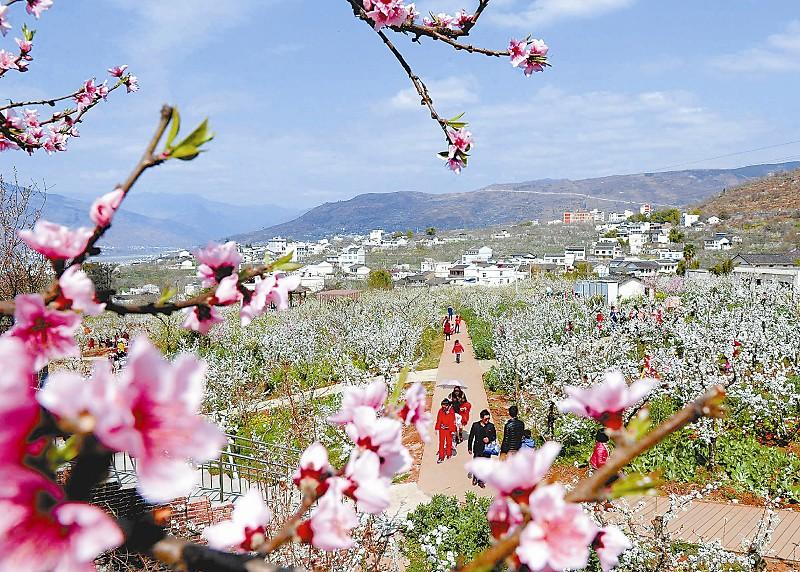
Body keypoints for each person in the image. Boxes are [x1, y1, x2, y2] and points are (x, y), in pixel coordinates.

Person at [468, 409, 496, 487]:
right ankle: (475, 477)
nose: (487, 420)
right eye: (485, 419)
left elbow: (494, 437)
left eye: (488, 419)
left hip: (487, 449)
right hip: (477, 448)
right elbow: (471, 437)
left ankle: (481, 480)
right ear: (481, 418)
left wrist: (489, 439)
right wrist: (469, 447)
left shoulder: (491, 426)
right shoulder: (475, 425)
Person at [436, 399, 456, 463]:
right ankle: (441, 457)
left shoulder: (451, 411)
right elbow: (438, 420)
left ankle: (448, 453)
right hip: (442, 429)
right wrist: (437, 428)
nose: (443, 408)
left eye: (445, 406)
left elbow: (453, 422)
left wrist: (453, 430)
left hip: (449, 430)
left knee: (449, 442)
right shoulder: (440, 411)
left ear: (448, 406)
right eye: (442, 406)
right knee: (441, 443)